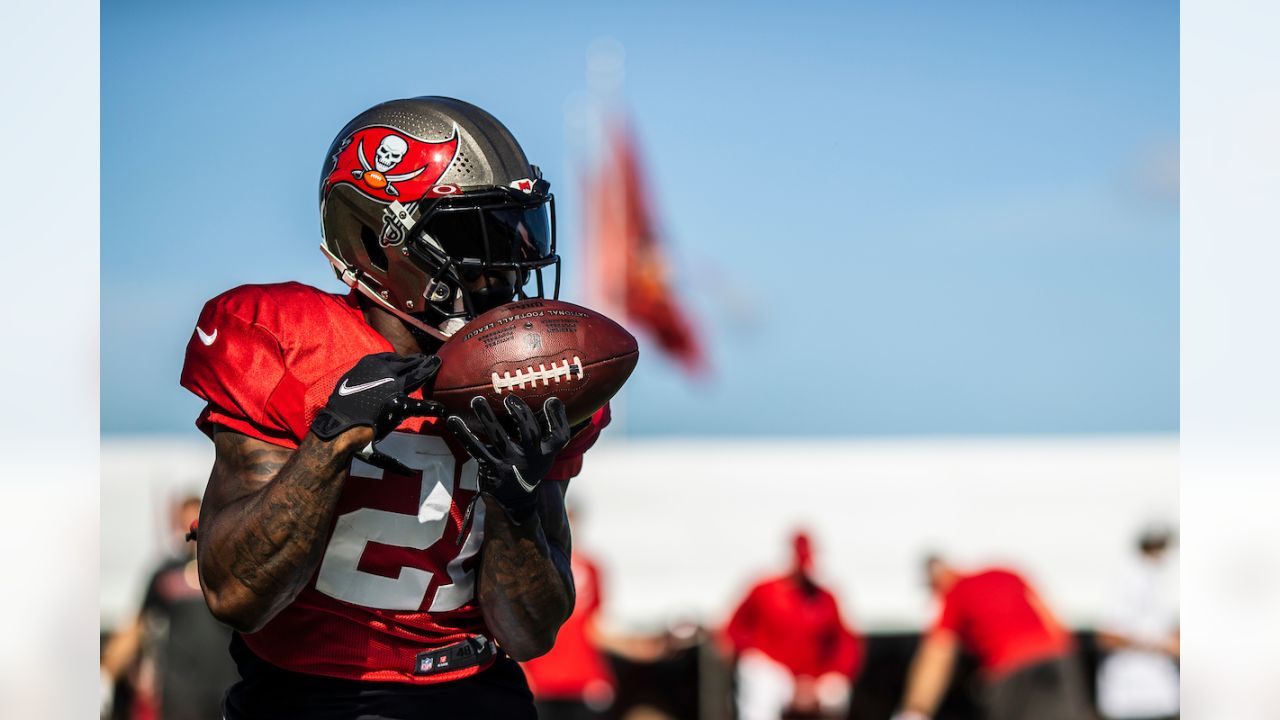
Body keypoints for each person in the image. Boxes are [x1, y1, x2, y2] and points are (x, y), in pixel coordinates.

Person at [179, 97, 613, 719]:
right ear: (375, 240)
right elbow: (234, 594)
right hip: (313, 696)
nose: (510, 263)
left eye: (521, 228)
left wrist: (515, 504)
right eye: (475, 233)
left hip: (474, 688)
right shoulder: (286, 338)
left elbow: (529, 635)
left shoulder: (536, 372)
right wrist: (330, 441)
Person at [893, 556, 1090, 720]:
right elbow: (1052, 620)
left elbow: (937, 656)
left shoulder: (954, 594)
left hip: (1010, 669)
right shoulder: (1006, 573)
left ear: (936, 579)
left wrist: (916, 709)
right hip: (1057, 659)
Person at [100, 495, 238, 720]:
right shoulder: (166, 573)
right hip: (181, 693)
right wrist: (105, 674)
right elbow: (136, 626)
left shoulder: (229, 571)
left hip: (226, 689)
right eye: (188, 522)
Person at [723, 531, 864, 720]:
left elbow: (846, 644)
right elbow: (734, 631)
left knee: (836, 691)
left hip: (814, 678)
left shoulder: (825, 598)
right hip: (776, 674)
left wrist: (827, 676)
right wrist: (750, 653)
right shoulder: (764, 590)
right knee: (759, 678)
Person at [1094, 525, 1179, 720]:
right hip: (1130, 697)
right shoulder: (1127, 579)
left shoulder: (1158, 580)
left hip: (1159, 695)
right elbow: (1107, 636)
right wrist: (1162, 645)